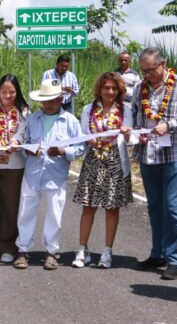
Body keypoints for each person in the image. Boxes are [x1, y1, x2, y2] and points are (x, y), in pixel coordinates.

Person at [131, 47, 177, 280]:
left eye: (151, 70)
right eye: (144, 71)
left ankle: (175, 259)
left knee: (172, 207)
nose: (148, 75)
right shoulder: (141, 87)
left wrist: (169, 125)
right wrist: (136, 134)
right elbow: (137, 114)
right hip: (149, 154)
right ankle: (157, 253)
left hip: (175, 155)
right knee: (155, 207)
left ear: (163, 64)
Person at [12, 79, 84, 271]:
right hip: (32, 172)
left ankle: (51, 252)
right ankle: (22, 249)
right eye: (45, 100)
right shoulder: (33, 119)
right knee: (26, 211)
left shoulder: (70, 121)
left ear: (61, 99)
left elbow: (80, 147)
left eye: (53, 100)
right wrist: (28, 150)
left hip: (56, 175)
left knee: (54, 213)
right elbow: (23, 141)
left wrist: (62, 151)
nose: (49, 104)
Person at [71, 73, 136, 269]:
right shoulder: (87, 109)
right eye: (106, 88)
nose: (110, 92)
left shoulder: (126, 110)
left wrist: (127, 134)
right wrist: (88, 139)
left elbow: (131, 141)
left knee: (112, 207)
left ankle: (107, 251)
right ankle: (82, 249)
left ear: (120, 91)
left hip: (116, 160)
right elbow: (82, 134)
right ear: (99, 89)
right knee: (88, 206)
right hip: (94, 160)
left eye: (114, 89)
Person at [0, 74, 30, 264]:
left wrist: (17, 140)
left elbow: (24, 131)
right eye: (4, 91)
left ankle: (8, 247)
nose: (8, 95)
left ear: (16, 91)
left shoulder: (24, 111)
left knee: (11, 206)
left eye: (11, 91)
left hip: (15, 164)